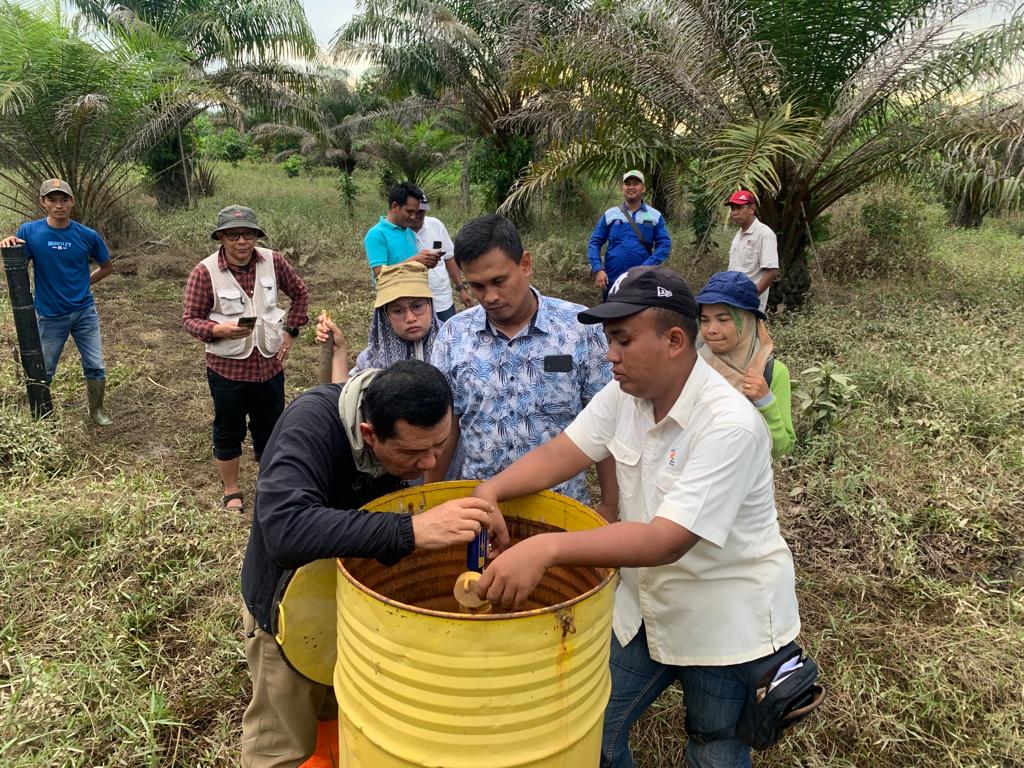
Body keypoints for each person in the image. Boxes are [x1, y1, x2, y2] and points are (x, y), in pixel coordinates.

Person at [472, 266, 802, 768]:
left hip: (721, 617)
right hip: (644, 606)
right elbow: (565, 451)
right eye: (608, 339)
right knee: (586, 725)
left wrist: (545, 548)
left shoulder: (729, 425)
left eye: (622, 340)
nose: (610, 355)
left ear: (673, 340)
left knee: (714, 748)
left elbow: (664, 540)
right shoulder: (623, 395)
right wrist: (490, 491)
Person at [239, 359, 505, 768]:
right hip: (286, 610)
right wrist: (410, 531)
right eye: (413, 452)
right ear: (368, 433)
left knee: (342, 716)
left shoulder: (399, 424)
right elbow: (285, 530)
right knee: (282, 744)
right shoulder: (310, 426)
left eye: (439, 444)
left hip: (350, 607)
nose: (430, 464)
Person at [428, 214, 618, 520]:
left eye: (499, 281)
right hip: (481, 509)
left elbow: (605, 420)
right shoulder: (454, 335)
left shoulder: (580, 328)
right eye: (477, 286)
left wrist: (609, 504)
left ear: (525, 264)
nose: (490, 296)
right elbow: (444, 425)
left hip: (560, 507)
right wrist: (431, 498)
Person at [182, 205, 309, 513]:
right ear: (221, 237)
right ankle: (231, 489)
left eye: (249, 234)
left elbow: (300, 294)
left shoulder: (274, 262)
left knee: (271, 428)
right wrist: (218, 329)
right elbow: (190, 319)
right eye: (234, 235)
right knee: (229, 428)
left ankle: (270, 485)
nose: (242, 242)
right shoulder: (205, 271)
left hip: (268, 364)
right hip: (227, 369)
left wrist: (290, 332)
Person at [0, 178, 114, 425]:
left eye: (64, 199)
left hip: (84, 312)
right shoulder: (30, 232)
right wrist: (9, 246)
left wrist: (84, 285)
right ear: (43, 203)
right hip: (50, 315)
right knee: (45, 369)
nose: (59, 205)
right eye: (53, 199)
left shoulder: (87, 235)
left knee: (95, 364)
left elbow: (107, 267)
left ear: (72, 201)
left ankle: (97, 411)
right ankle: (42, 415)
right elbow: (17, 264)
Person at [696, 271, 795, 458]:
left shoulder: (772, 372)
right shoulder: (692, 363)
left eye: (723, 319)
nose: (711, 330)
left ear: (748, 319)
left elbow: (781, 448)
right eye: (704, 320)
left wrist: (765, 400)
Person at [316, 262, 441, 383]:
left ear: (430, 304)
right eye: (397, 311)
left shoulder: (454, 343)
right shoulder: (370, 361)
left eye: (417, 306)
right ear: (385, 317)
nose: (410, 318)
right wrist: (339, 349)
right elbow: (346, 398)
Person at [587, 170, 672, 296]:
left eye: (636, 183)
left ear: (643, 188)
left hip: (641, 279)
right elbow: (594, 242)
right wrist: (598, 269)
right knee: (611, 312)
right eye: (627, 184)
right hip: (612, 278)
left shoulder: (655, 215)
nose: (631, 187)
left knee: (638, 313)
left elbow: (664, 245)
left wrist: (645, 267)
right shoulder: (610, 214)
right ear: (623, 188)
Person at [408, 194, 473, 322]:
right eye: (412, 212)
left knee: (448, 336)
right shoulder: (399, 232)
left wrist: (461, 289)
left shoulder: (436, 225)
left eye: (420, 212)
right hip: (413, 300)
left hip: (442, 299)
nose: (416, 216)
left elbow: (449, 258)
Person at [363, 182, 443, 282]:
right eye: (409, 211)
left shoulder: (409, 231)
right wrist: (415, 261)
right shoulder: (376, 234)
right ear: (395, 206)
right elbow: (380, 275)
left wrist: (426, 262)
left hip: (416, 292)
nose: (414, 217)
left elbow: (409, 268)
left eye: (416, 212)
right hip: (393, 296)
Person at [726, 190, 779, 313]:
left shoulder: (764, 234)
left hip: (750, 305)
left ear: (752, 208)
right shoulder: (738, 235)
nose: (735, 213)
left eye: (739, 208)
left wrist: (751, 296)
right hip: (732, 299)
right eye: (733, 209)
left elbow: (771, 271)